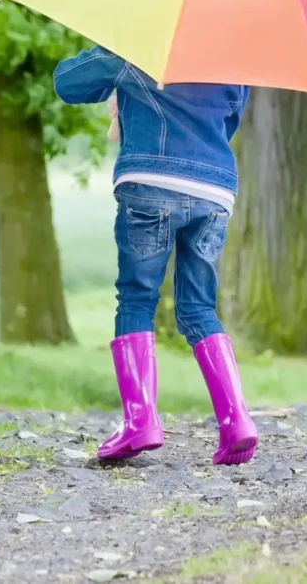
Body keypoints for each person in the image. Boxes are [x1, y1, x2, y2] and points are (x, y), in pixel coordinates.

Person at [53, 44, 260, 466]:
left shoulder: (139, 40)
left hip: (150, 182)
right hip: (214, 191)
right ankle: (237, 420)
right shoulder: (234, 53)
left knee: (136, 298)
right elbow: (229, 120)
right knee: (199, 307)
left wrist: (116, 69)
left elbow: (68, 83)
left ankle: (140, 421)